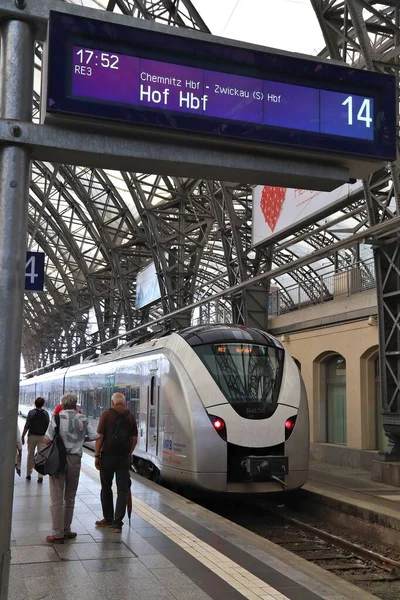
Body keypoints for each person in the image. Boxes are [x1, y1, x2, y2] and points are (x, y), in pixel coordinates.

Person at [44, 393, 97, 544]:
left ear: (62, 404)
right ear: (75, 405)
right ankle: (67, 530)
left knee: (56, 497)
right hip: (75, 460)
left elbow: (47, 440)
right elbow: (95, 436)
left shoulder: (57, 418)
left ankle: (57, 534)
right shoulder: (83, 418)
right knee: (70, 496)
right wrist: (80, 439)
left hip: (58, 461)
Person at [94, 392, 138, 533]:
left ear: (112, 403)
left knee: (106, 487)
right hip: (123, 458)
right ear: (124, 403)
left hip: (107, 456)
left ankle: (108, 519)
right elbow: (134, 439)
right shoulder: (130, 416)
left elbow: (100, 436)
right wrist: (129, 453)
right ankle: (118, 524)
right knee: (122, 490)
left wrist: (96, 455)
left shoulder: (106, 415)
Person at [21, 396, 50, 483]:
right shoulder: (46, 413)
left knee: (30, 455)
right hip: (42, 437)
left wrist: (23, 436)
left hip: (32, 436)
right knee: (41, 456)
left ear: (35, 403)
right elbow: (48, 426)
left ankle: (28, 474)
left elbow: (27, 425)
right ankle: (40, 476)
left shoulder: (31, 412)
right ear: (43, 404)